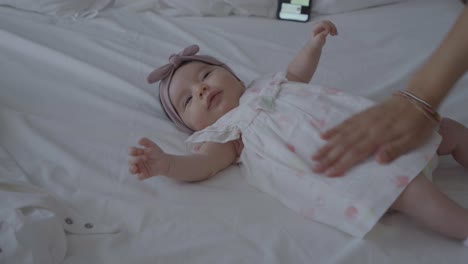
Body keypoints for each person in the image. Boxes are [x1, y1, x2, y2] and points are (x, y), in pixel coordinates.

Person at [128, 20, 468, 243]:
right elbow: (202, 165)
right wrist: (168, 164)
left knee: (446, 130)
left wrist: (314, 45)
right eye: (188, 100)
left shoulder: (268, 85)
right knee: (417, 196)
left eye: (205, 76)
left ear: (232, 75)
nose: (201, 90)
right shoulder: (227, 134)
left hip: (376, 128)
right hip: (356, 169)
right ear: (192, 128)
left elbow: (297, 71)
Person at [312, 6, 468, 177]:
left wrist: (420, 95)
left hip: (394, 147)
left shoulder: (280, 83)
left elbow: (295, 74)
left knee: (447, 132)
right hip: (377, 152)